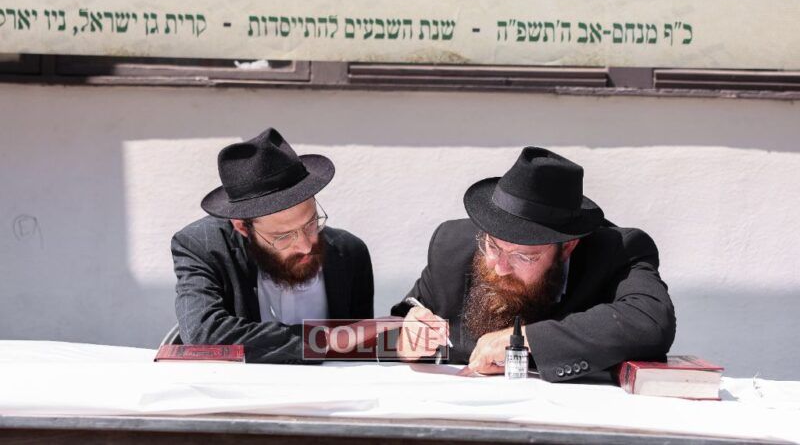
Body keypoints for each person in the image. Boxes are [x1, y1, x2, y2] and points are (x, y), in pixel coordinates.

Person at [390, 147, 676, 382]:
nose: (500, 267)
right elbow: (393, 329)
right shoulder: (452, 245)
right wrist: (405, 340)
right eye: (493, 246)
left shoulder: (618, 252)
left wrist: (524, 339)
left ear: (567, 247)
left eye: (524, 256)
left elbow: (650, 322)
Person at [171, 128, 373, 363]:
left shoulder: (349, 252)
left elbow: (358, 356)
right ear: (242, 227)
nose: (305, 246)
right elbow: (202, 334)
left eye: (311, 224)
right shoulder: (202, 245)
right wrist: (327, 339)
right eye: (283, 236)